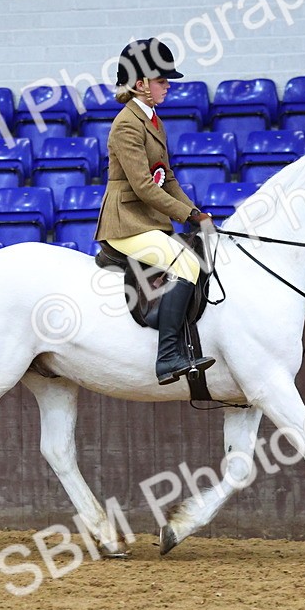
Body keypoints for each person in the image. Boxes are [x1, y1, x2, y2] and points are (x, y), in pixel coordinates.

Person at [95, 37, 216, 385]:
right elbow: (144, 187)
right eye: (161, 80)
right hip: (126, 224)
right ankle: (167, 358)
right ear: (140, 84)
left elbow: (167, 177)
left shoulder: (152, 120)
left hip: (149, 221)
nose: (167, 86)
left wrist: (196, 212)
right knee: (187, 264)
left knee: (201, 250)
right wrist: (187, 216)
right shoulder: (126, 124)